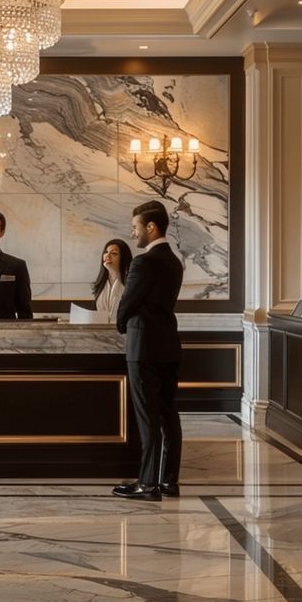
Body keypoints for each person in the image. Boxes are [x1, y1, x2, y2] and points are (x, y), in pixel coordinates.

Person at [112, 200, 184, 501]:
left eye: (135, 228)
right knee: (169, 414)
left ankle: (147, 484)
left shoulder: (144, 262)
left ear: (150, 227)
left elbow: (127, 304)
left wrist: (119, 323)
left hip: (143, 348)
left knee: (147, 418)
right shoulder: (174, 262)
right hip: (169, 344)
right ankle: (168, 481)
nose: (133, 235)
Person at [92, 238, 133, 324]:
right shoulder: (101, 283)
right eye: (106, 252)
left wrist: (115, 273)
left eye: (114, 253)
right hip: (102, 332)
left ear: (123, 259)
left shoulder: (130, 283)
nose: (108, 255)